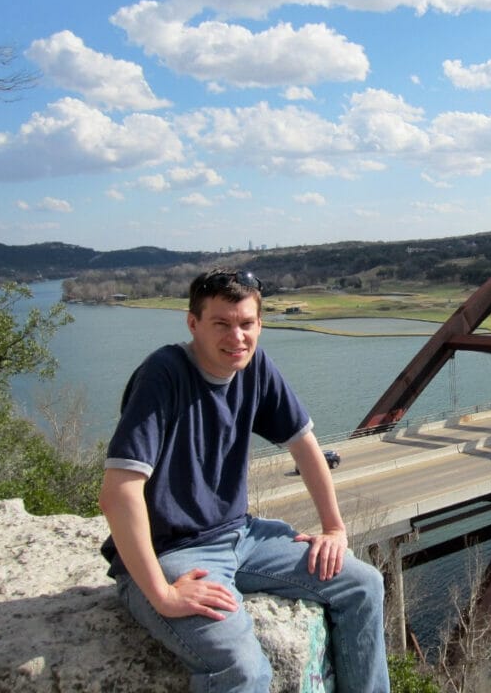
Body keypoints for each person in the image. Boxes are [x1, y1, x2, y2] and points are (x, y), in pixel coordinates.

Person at [98, 268, 390, 692]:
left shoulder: (254, 368)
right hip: (174, 554)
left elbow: (305, 445)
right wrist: (161, 594)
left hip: (241, 535)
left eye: (246, 324)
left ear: (259, 324)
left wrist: (334, 528)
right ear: (193, 323)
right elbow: (117, 493)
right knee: (242, 669)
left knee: (363, 585)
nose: (236, 337)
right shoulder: (163, 374)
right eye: (221, 324)